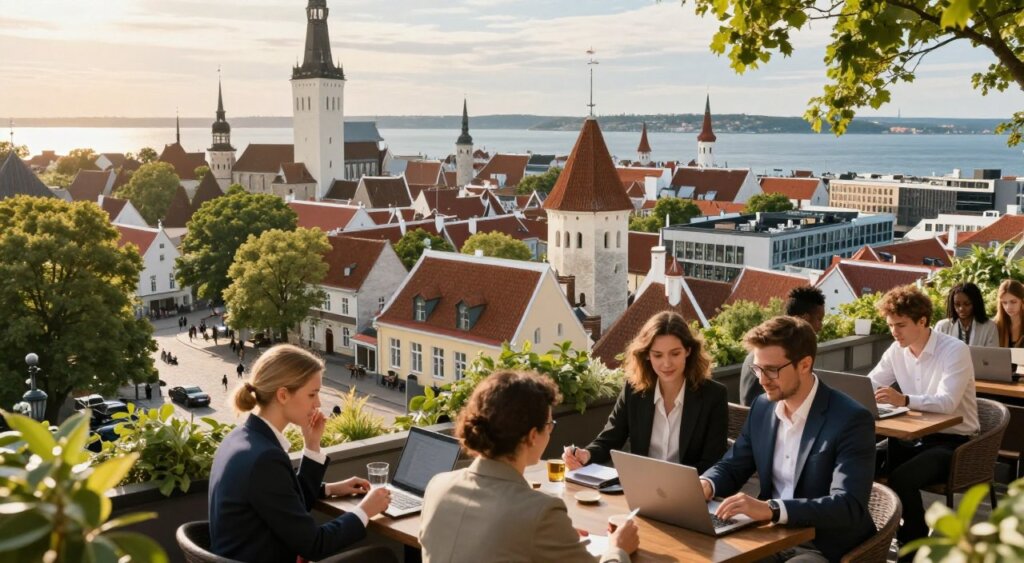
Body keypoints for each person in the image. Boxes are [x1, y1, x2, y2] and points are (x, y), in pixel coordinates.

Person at [701, 316, 876, 562]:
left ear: (805, 364)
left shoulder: (851, 420)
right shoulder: (762, 407)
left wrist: (771, 509)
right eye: (757, 368)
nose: (761, 380)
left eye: (771, 370)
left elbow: (848, 504)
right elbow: (734, 464)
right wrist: (707, 484)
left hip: (824, 545)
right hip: (769, 536)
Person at [420, 370, 638, 562]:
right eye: (549, 424)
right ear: (533, 436)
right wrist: (618, 549)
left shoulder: (437, 486)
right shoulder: (540, 512)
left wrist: (555, 536)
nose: (550, 430)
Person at [209, 344, 394, 562]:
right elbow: (315, 545)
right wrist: (365, 509)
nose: (318, 403)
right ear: (283, 395)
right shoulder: (265, 459)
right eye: (312, 394)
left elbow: (281, 503)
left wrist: (316, 455)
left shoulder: (240, 438)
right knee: (382, 557)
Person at [869, 284, 978, 548]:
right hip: (912, 437)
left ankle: (912, 543)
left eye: (901, 325)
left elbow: (948, 403)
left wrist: (903, 400)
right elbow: (870, 383)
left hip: (955, 442)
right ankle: (868, 537)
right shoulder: (896, 350)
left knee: (902, 479)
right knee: (857, 462)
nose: (894, 332)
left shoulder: (954, 350)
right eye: (891, 325)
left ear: (923, 321)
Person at [563, 311, 728, 473]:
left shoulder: (713, 396)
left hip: (689, 493)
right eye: (658, 355)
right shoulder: (633, 390)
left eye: (675, 353)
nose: (666, 363)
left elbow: (712, 462)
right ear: (647, 355)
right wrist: (586, 454)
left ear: (688, 351)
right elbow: (609, 440)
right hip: (641, 488)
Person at [740, 286, 826, 406]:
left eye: (771, 370)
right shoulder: (775, 353)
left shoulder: (764, 350)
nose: (762, 380)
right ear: (805, 319)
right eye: (819, 319)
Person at [934, 282, 997, 347]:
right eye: (957, 304)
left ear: (976, 303)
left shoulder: (989, 327)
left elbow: (993, 355)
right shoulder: (942, 326)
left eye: (967, 304)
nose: (961, 309)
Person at [995, 279, 1024, 348]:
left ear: (1022, 301)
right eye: (1004, 303)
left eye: (1013, 302)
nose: (1008, 307)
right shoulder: (995, 326)